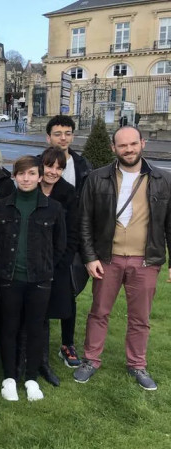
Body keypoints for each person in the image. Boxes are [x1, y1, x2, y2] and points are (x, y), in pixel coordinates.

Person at [74, 126, 171, 391]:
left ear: (143, 143)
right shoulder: (97, 178)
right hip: (107, 258)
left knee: (140, 317)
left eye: (132, 144)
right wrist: (90, 257)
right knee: (98, 313)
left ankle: (137, 364)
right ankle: (91, 360)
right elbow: (84, 221)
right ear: (113, 149)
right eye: (122, 145)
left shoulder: (163, 180)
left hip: (145, 261)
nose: (128, 149)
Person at [0, 156, 66, 402]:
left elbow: (59, 245)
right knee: (10, 328)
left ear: (40, 176)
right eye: (21, 174)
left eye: (32, 174)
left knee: (35, 329)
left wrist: (44, 267)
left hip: (40, 280)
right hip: (9, 278)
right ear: (14, 176)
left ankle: (32, 377)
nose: (26, 178)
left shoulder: (53, 208)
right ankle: (9, 377)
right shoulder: (2, 207)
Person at [34, 147, 83, 387]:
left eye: (59, 167)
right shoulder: (29, 186)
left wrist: (59, 264)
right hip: (31, 262)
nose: (53, 171)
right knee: (34, 314)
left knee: (59, 307)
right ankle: (32, 356)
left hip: (57, 263)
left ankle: (53, 353)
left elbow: (73, 233)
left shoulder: (69, 193)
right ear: (41, 165)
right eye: (49, 166)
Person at [44, 115, 93, 195]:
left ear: (72, 137)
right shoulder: (37, 164)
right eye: (57, 134)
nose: (63, 138)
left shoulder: (84, 165)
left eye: (68, 134)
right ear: (49, 138)